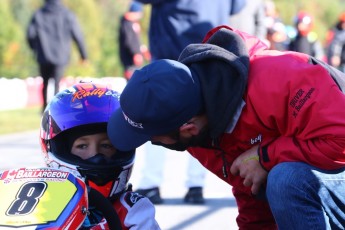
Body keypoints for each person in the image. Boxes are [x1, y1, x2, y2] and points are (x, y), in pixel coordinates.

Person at [107, 25, 345, 229]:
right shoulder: (199, 129)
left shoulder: (278, 78)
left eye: (152, 137)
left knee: (286, 179)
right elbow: (251, 190)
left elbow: (341, 142)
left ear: (187, 128)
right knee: (279, 179)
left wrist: (266, 156)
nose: (154, 143)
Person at [130, 0, 246, 204]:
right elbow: (238, 5)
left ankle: (151, 182)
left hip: (171, 54)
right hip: (209, 55)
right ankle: (195, 185)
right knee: (203, 121)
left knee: (156, 119)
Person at [40, 82, 160, 229]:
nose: (95, 155)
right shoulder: (42, 204)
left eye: (106, 145)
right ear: (60, 149)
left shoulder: (133, 210)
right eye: (82, 146)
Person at [26, 0, 88, 113]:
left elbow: (30, 34)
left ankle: (44, 108)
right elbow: (78, 35)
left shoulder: (38, 14)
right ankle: (54, 109)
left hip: (43, 54)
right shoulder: (67, 14)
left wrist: (34, 48)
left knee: (44, 83)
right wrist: (83, 55)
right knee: (57, 83)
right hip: (61, 55)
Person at [118, 1, 150, 81]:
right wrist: (136, 53)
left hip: (134, 59)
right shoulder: (126, 24)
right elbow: (128, 41)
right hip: (130, 60)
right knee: (133, 81)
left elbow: (136, 40)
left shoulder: (132, 23)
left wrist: (143, 49)